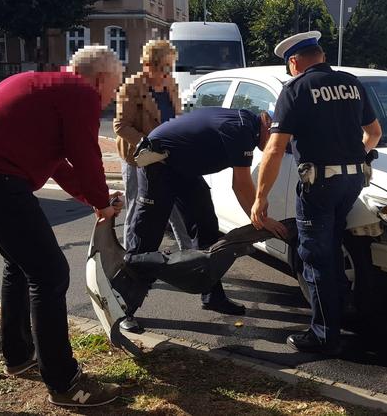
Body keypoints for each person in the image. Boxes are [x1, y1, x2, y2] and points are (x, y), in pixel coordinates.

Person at [0, 46, 126, 407]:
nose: (110, 98)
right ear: (101, 78)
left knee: (21, 266)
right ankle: (65, 383)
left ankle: (20, 356)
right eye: (113, 88)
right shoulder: (79, 92)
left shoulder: (42, 87)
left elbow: (58, 162)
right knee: (50, 274)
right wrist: (103, 202)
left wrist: (94, 200)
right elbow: (86, 155)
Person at [250, 31, 382, 355]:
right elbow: (374, 133)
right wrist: (354, 161)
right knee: (332, 247)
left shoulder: (296, 89)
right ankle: (340, 313)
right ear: (321, 56)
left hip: (319, 185)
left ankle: (324, 335)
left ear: (294, 62)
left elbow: (275, 148)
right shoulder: (352, 83)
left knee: (315, 256)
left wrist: (260, 197)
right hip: (352, 181)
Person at [122, 107, 288, 323]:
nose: (279, 146)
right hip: (158, 163)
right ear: (268, 125)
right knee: (147, 236)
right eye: (279, 139)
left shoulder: (247, 125)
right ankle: (125, 308)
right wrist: (262, 222)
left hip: (184, 168)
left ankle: (213, 296)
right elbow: (241, 185)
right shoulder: (241, 129)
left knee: (207, 227)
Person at [113, 39, 192, 331]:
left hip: (167, 159)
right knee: (138, 211)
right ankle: (131, 259)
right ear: (150, 64)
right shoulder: (132, 86)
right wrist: (148, 145)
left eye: (169, 67)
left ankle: (187, 259)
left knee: (174, 207)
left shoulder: (169, 84)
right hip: (139, 160)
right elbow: (120, 126)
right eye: (163, 67)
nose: (166, 72)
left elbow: (177, 116)